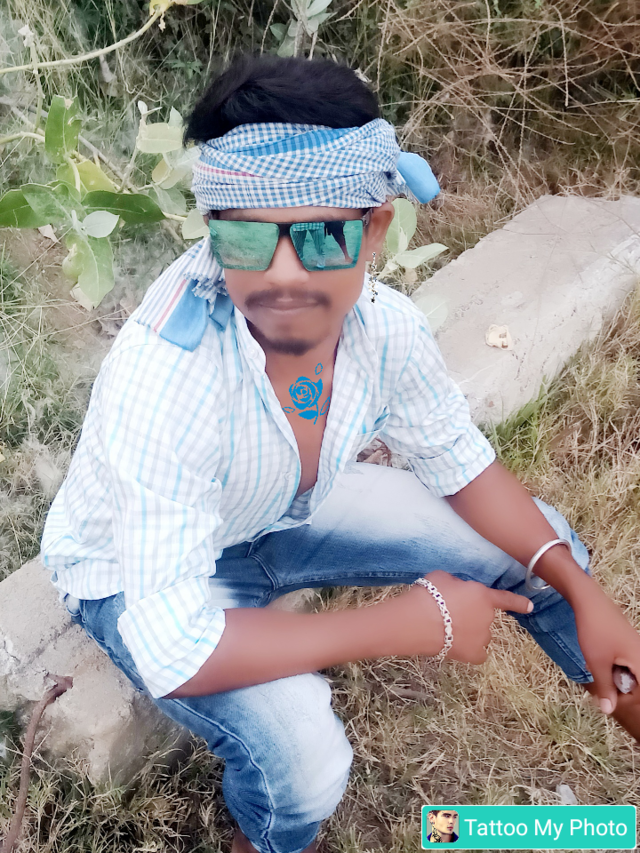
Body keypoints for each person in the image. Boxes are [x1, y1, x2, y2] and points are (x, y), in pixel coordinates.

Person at [41, 54, 640, 853]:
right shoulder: (166, 377)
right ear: (214, 232)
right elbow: (176, 649)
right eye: (246, 239)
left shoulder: (384, 328)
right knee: (305, 763)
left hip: (274, 509)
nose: (283, 276)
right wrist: (410, 622)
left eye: (323, 238)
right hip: (133, 569)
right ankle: (267, 838)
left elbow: (459, 459)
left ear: (375, 229)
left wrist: (580, 587)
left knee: (545, 546)